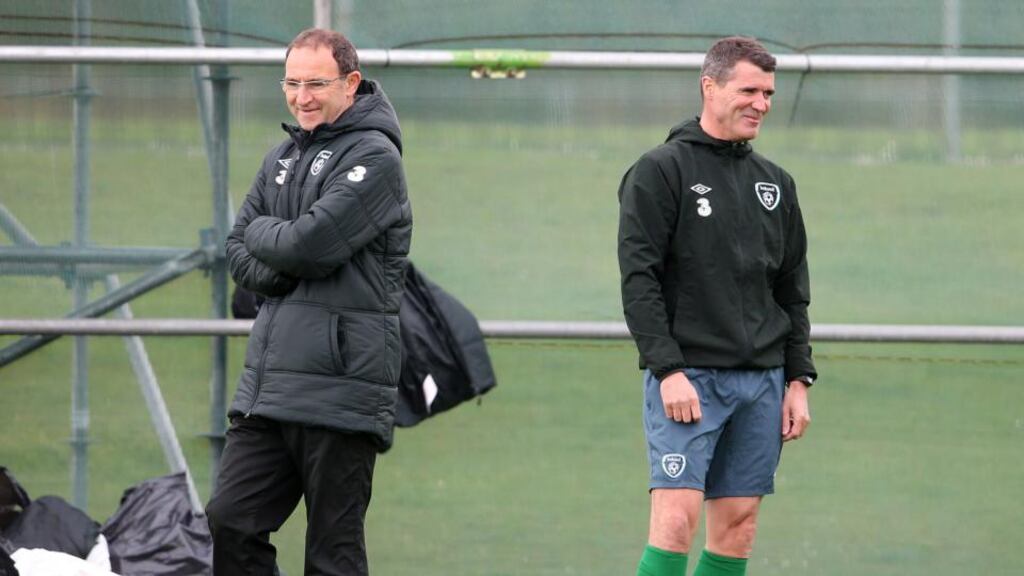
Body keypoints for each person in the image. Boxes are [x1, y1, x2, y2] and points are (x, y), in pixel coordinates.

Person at [205, 28, 412, 575]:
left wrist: (275, 243)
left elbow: (309, 246)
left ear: (351, 83)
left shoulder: (376, 157)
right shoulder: (280, 156)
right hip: (268, 385)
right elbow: (236, 247)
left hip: (341, 387)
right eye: (292, 83)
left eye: (316, 83)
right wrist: (279, 263)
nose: (302, 97)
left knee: (332, 553)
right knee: (230, 519)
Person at [617, 36, 816, 576]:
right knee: (676, 521)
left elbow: (792, 291)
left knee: (738, 528)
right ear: (710, 86)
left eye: (769, 92)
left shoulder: (776, 184)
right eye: (749, 89)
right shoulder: (660, 171)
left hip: (763, 382)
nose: (762, 103)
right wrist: (668, 369)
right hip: (689, 381)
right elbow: (640, 281)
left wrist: (798, 379)